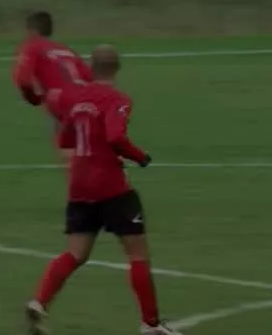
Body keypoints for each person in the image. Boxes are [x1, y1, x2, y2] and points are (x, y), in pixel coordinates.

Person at [26, 45, 181, 335]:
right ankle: (150, 324)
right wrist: (140, 157)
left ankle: (39, 302)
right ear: (117, 68)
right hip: (111, 187)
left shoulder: (76, 101)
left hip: (80, 187)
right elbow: (115, 136)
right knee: (137, 254)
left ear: (90, 68)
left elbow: (65, 140)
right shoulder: (117, 99)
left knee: (75, 253)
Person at [12, 11, 93, 156]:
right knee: (86, 148)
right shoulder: (66, 50)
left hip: (61, 99)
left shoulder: (32, 46)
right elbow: (90, 78)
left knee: (70, 149)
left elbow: (23, 80)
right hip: (87, 98)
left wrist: (33, 98)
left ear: (31, 30)